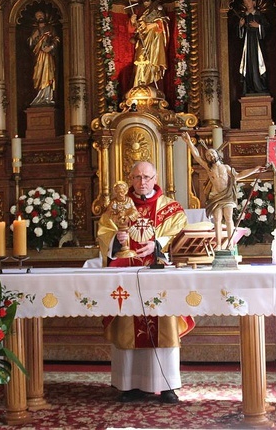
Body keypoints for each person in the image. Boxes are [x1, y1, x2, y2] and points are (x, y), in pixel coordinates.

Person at [97, 161, 193, 404]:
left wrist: (158, 243)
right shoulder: (117, 207)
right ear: (130, 178)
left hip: (158, 272)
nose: (142, 182)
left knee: (164, 323)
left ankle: (167, 384)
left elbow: (180, 233)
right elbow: (104, 232)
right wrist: (117, 241)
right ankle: (129, 385)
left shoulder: (170, 208)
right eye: (137, 177)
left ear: (156, 177)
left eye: (147, 177)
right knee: (127, 324)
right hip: (127, 273)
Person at [182, 132, 263, 250]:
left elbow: (239, 175)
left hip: (227, 195)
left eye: (212, 153)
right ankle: (219, 244)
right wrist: (189, 142)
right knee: (217, 220)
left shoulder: (226, 168)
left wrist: (254, 170)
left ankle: (230, 243)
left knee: (229, 219)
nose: (211, 156)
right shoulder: (208, 168)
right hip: (215, 196)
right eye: (208, 155)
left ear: (217, 154)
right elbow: (197, 157)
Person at [129, 0, 169, 88]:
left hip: (154, 41)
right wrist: (132, 21)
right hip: (142, 40)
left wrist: (154, 25)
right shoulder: (137, 10)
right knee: (140, 63)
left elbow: (165, 22)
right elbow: (132, 30)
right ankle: (138, 87)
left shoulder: (157, 7)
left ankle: (153, 87)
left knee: (153, 64)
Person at [238, 0, 270, 95]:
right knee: (248, 66)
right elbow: (239, 36)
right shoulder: (243, 16)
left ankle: (260, 86)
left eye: (248, 1)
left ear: (253, 2)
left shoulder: (259, 15)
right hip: (247, 47)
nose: (247, 4)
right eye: (245, 2)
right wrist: (240, 26)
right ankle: (249, 87)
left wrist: (259, 26)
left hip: (258, 46)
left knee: (258, 65)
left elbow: (268, 29)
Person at [28, 10, 60, 106]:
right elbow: (30, 44)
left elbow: (57, 39)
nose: (40, 17)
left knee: (48, 74)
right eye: (37, 16)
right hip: (38, 57)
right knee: (38, 76)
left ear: (44, 16)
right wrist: (33, 37)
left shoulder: (50, 28)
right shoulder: (35, 31)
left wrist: (51, 47)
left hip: (48, 56)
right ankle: (38, 97)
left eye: (41, 15)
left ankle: (47, 97)